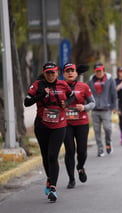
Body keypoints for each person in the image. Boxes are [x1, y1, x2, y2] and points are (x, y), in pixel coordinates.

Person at [24, 61, 74, 202]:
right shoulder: (37, 85)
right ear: (44, 73)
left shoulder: (63, 85)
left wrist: (67, 103)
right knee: (46, 157)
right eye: (48, 73)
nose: (51, 75)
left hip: (59, 124)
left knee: (53, 155)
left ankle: (53, 188)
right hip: (42, 125)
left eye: (53, 72)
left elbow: (72, 96)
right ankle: (49, 178)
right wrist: (41, 95)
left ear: (57, 73)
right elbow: (26, 102)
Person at [62, 63, 95, 189]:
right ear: (63, 74)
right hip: (65, 123)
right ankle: (71, 179)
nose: (70, 73)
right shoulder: (59, 86)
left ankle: (80, 167)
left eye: (72, 71)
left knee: (82, 151)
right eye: (67, 71)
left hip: (81, 122)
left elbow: (93, 103)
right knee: (70, 150)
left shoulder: (84, 86)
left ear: (76, 73)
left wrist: (84, 107)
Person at [87, 62, 118, 157]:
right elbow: (87, 95)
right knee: (97, 131)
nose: (99, 72)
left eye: (100, 71)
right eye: (97, 71)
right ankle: (100, 149)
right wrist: (87, 106)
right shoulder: (91, 81)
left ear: (103, 70)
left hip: (106, 109)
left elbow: (114, 93)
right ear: (94, 71)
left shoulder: (109, 79)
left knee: (107, 128)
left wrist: (115, 107)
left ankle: (108, 144)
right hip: (95, 109)